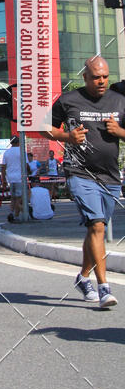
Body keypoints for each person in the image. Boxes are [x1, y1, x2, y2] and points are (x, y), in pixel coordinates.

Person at [49, 56, 125, 309]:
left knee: (95, 229)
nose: (101, 81)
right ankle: (104, 287)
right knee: (98, 226)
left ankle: (83, 278)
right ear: (85, 77)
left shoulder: (119, 100)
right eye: (95, 77)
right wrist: (67, 136)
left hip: (110, 176)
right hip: (80, 173)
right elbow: (44, 128)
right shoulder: (69, 100)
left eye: (104, 76)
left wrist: (120, 132)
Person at [2, 135, 24, 221]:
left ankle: (11, 213)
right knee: (19, 198)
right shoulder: (22, 151)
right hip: (19, 177)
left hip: (10, 178)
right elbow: (25, 165)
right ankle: (17, 215)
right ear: (18, 142)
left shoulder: (6, 153)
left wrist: (3, 179)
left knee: (13, 197)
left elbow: (3, 167)